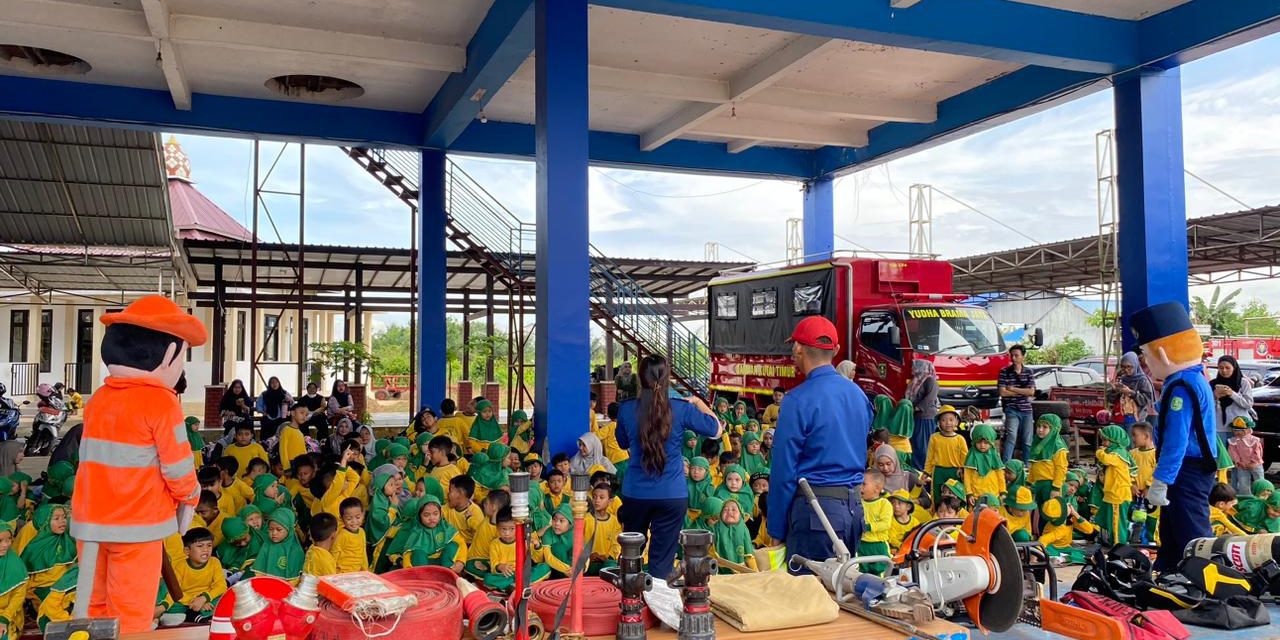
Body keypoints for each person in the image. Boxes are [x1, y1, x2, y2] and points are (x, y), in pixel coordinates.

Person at [70, 296, 204, 633]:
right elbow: (177, 469)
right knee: (130, 613)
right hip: (138, 526)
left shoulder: (99, 399)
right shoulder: (161, 402)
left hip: (89, 522)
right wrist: (190, 497)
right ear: (169, 354)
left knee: (89, 607)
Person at [768, 316, 872, 575]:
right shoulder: (858, 395)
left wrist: (776, 530)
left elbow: (783, 471)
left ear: (798, 349)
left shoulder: (797, 400)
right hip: (852, 510)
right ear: (835, 351)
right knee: (841, 595)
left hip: (815, 511)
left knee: (807, 603)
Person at [612, 355, 720, 579]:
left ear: (639, 379)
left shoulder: (626, 409)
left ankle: (629, 607)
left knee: (631, 556)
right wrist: (699, 403)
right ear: (667, 377)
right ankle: (655, 606)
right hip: (671, 494)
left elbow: (622, 443)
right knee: (662, 563)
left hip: (635, 493)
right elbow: (716, 430)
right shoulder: (682, 409)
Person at [1134, 301, 1220, 573]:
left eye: (1147, 357)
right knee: (1170, 526)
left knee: (1191, 530)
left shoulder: (1182, 387)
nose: (1146, 364)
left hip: (1187, 468)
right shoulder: (1190, 378)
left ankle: (1204, 581)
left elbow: (1176, 441)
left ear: (1163, 353)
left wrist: (1161, 479)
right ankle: (1170, 574)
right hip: (1188, 467)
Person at [168, 528, 226, 622]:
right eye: (200, 546)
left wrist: (204, 599)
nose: (206, 550)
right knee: (170, 604)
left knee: (226, 597)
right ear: (187, 551)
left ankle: (194, 615)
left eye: (209, 545)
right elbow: (177, 591)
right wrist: (195, 601)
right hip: (187, 601)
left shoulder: (214, 562)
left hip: (208, 597)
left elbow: (221, 586)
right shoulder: (180, 566)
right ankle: (195, 614)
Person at [1095, 425, 1136, 545]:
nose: (1103, 443)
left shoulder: (1118, 453)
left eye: (1105, 440)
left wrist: (1099, 451)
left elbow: (1106, 459)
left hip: (1118, 495)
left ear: (1114, 440)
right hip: (1113, 494)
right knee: (1109, 520)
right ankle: (1115, 542)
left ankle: (1118, 546)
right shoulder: (1116, 452)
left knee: (1116, 523)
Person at [998, 345, 1036, 463]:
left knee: (1027, 439)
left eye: (1016, 355)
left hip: (1026, 410)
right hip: (1011, 409)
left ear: (1023, 357)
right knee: (1011, 437)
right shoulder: (1004, 372)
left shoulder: (1028, 372)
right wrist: (1022, 392)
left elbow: (1031, 392)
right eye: (1012, 355)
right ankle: (1006, 464)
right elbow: (1003, 392)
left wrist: (1013, 389)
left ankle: (1027, 465)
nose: (1013, 358)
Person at [1028, 415, 1068, 507]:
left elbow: (1061, 469)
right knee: (1040, 513)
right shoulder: (1038, 444)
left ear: (1054, 429)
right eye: (1038, 426)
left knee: (1050, 512)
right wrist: (1029, 482)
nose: (1040, 429)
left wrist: (1056, 488)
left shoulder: (1058, 447)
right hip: (1038, 484)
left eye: (1045, 427)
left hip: (1050, 486)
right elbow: (1034, 466)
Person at [1212, 355, 1256, 440]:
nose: (1224, 371)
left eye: (1227, 368)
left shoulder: (1243, 383)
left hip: (1239, 427)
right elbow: (1207, 408)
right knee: (1221, 453)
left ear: (1234, 368)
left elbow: (1248, 404)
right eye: (1221, 368)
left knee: (1238, 452)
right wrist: (1214, 397)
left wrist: (1232, 394)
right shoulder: (1213, 384)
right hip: (1219, 428)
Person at [907, 359, 939, 471]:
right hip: (916, 417)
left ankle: (924, 471)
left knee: (923, 446)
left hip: (926, 417)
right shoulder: (916, 381)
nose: (913, 368)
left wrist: (918, 407)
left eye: (915, 366)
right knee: (915, 444)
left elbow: (930, 398)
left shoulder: (930, 380)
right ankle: (916, 469)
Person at [1107, 352, 1156, 425]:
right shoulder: (1122, 379)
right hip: (1119, 418)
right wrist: (1114, 391)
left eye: (1129, 367)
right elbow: (1111, 400)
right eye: (1123, 367)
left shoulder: (1142, 380)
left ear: (1135, 365)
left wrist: (1131, 393)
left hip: (1136, 420)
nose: (1126, 370)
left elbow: (1147, 401)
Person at [1227, 416, 1265, 496]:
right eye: (1235, 430)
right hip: (1242, 465)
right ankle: (1245, 497)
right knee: (1243, 482)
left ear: (1248, 430)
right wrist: (1239, 462)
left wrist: (1253, 462)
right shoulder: (1233, 441)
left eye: (1241, 430)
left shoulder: (1254, 440)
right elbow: (1233, 453)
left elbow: (1257, 452)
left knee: (1259, 480)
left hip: (1255, 465)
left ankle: (1262, 495)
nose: (1238, 433)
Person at [256, 377, 293, 441]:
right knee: (265, 423)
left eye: (276, 382)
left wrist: (289, 401)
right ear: (269, 384)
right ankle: (267, 444)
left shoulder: (284, 393)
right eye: (272, 382)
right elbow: (258, 405)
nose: (274, 384)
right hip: (269, 417)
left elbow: (292, 404)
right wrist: (262, 412)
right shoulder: (264, 394)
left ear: (279, 383)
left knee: (286, 423)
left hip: (282, 417)